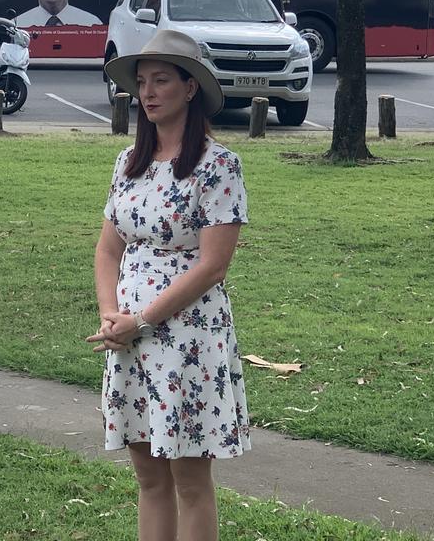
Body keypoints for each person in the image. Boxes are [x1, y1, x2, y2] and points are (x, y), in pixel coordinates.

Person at [90, 29, 249, 541]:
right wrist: (111, 316)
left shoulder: (218, 165)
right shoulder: (128, 163)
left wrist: (142, 319)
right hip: (130, 336)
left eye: (161, 80)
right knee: (148, 476)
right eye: (142, 82)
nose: (149, 92)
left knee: (190, 480)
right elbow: (108, 247)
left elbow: (212, 266)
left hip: (187, 337)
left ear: (190, 88)